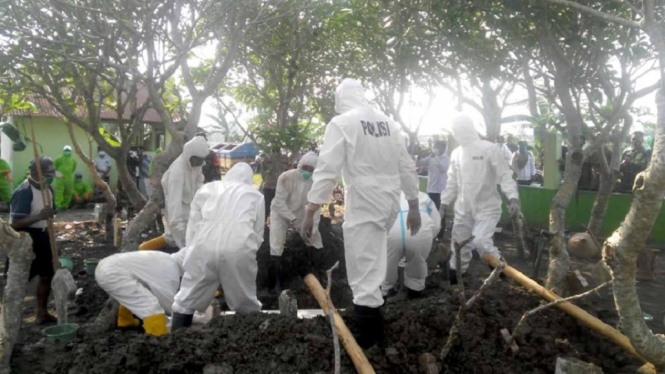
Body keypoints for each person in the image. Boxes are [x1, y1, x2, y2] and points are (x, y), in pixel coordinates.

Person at [302, 79, 421, 348]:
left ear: (340, 99)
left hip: (365, 200)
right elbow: (406, 164)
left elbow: (327, 169)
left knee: (363, 268)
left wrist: (311, 209)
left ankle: (368, 340)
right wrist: (412, 204)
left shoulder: (342, 123)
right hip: (390, 200)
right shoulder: (389, 123)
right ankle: (375, 327)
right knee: (374, 261)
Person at [171, 163, 264, 331]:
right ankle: (248, 343)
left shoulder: (207, 189)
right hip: (239, 247)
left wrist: (192, 251)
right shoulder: (255, 195)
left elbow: (193, 225)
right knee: (245, 301)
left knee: (187, 298)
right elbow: (257, 233)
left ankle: (176, 340)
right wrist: (244, 254)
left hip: (204, 245)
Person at [440, 114, 520, 283]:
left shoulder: (489, 149)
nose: (457, 134)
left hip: (487, 207)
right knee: (459, 246)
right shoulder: (456, 153)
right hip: (463, 209)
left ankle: (504, 277)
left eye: (459, 130)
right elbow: (452, 182)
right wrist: (444, 203)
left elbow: (505, 175)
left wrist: (513, 198)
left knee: (481, 241)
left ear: (468, 128)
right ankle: (456, 284)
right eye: (454, 131)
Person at [95, 246, 190, 336]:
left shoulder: (165, 258)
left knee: (138, 293)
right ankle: (158, 338)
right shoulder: (171, 268)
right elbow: (166, 300)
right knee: (150, 305)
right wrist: (190, 316)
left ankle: (126, 321)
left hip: (106, 268)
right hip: (112, 273)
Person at [10, 157, 57, 324]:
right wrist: (39, 216)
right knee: (20, 280)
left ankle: (42, 313)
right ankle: (10, 319)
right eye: (45, 175)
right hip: (26, 238)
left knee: (47, 276)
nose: (48, 178)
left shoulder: (48, 189)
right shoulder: (24, 191)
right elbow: (14, 224)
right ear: (36, 173)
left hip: (44, 236)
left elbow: (51, 213)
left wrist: (50, 230)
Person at [269, 152, 322, 291]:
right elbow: (280, 202)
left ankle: (314, 276)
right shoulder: (286, 177)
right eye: (305, 168)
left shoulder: (315, 182)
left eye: (311, 170)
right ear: (299, 165)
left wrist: (313, 228)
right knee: (277, 243)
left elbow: (316, 207)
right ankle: (277, 283)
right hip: (280, 213)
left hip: (301, 214)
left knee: (313, 239)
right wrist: (291, 218)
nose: (307, 172)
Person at [381, 192, 440, 302]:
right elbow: (437, 223)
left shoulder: (387, 194)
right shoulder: (423, 196)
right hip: (419, 229)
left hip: (392, 231)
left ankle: (384, 292)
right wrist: (429, 239)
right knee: (417, 262)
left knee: (388, 264)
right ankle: (414, 294)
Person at [161, 136, 210, 249]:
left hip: (190, 205)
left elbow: (199, 180)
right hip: (179, 210)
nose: (200, 163)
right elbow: (174, 210)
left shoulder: (195, 163)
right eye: (197, 160)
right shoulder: (177, 173)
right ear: (189, 155)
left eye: (202, 160)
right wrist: (184, 238)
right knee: (181, 245)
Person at [422, 140, 449, 241]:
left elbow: (443, 168)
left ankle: (440, 236)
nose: (435, 148)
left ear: (442, 148)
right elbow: (421, 163)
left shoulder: (446, 159)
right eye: (434, 146)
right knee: (430, 212)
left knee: (440, 213)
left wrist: (435, 157)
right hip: (431, 189)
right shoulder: (430, 158)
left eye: (437, 147)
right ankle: (431, 233)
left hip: (441, 191)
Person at [259, 147, 288, 218]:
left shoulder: (285, 158)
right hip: (269, 186)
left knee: (280, 208)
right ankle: (265, 226)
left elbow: (287, 170)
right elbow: (263, 171)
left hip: (280, 187)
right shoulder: (266, 158)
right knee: (266, 208)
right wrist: (266, 179)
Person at [54, 145, 76, 210]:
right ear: (63, 151)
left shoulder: (73, 160)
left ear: (71, 151)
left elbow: (73, 168)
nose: (67, 151)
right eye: (66, 150)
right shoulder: (58, 159)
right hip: (60, 178)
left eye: (68, 150)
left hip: (69, 178)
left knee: (68, 192)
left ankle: (65, 205)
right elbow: (53, 166)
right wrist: (57, 174)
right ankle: (58, 206)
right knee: (59, 192)